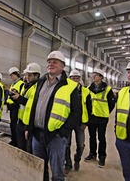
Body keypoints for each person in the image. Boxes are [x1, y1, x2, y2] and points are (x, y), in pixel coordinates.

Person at [23, 50, 82, 181]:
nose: (51, 64)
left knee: (57, 173)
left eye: (55, 62)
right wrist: (28, 127)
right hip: (37, 135)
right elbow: (32, 106)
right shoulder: (41, 81)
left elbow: (77, 113)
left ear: (62, 66)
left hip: (55, 137)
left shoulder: (71, 86)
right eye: (49, 62)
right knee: (39, 170)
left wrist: (63, 131)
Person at [85, 68, 115, 167]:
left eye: (96, 75)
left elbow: (111, 104)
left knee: (101, 138)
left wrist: (105, 112)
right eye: (93, 74)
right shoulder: (89, 88)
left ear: (101, 77)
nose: (94, 76)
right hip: (92, 117)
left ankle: (102, 157)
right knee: (92, 137)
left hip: (102, 118)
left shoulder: (107, 89)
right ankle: (92, 154)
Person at [64, 69, 92, 174]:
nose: (75, 80)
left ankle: (77, 159)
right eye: (73, 78)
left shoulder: (86, 91)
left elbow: (89, 108)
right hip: (68, 122)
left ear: (80, 79)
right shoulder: (65, 90)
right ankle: (68, 164)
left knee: (80, 145)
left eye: (77, 78)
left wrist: (86, 123)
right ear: (69, 79)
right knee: (66, 144)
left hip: (81, 123)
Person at [11, 63, 41, 152]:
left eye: (30, 75)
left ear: (37, 76)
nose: (27, 77)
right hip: (21, 121)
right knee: (21, 147)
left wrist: (20, 98)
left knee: (28, 150)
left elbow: (35, 104)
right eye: (27, 75)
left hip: (29, 124)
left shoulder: (38, 88)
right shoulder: (26, 86)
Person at [6, 67, 24, 146]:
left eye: (12, 75)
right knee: (12, 124)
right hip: (11, 107)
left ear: (16, 74)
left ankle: (16, 141)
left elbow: (20, 95)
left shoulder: (21, 84)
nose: (11, 77)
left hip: (16, 107)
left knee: (15, 125)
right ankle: (13, 139)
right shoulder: (13, 84)